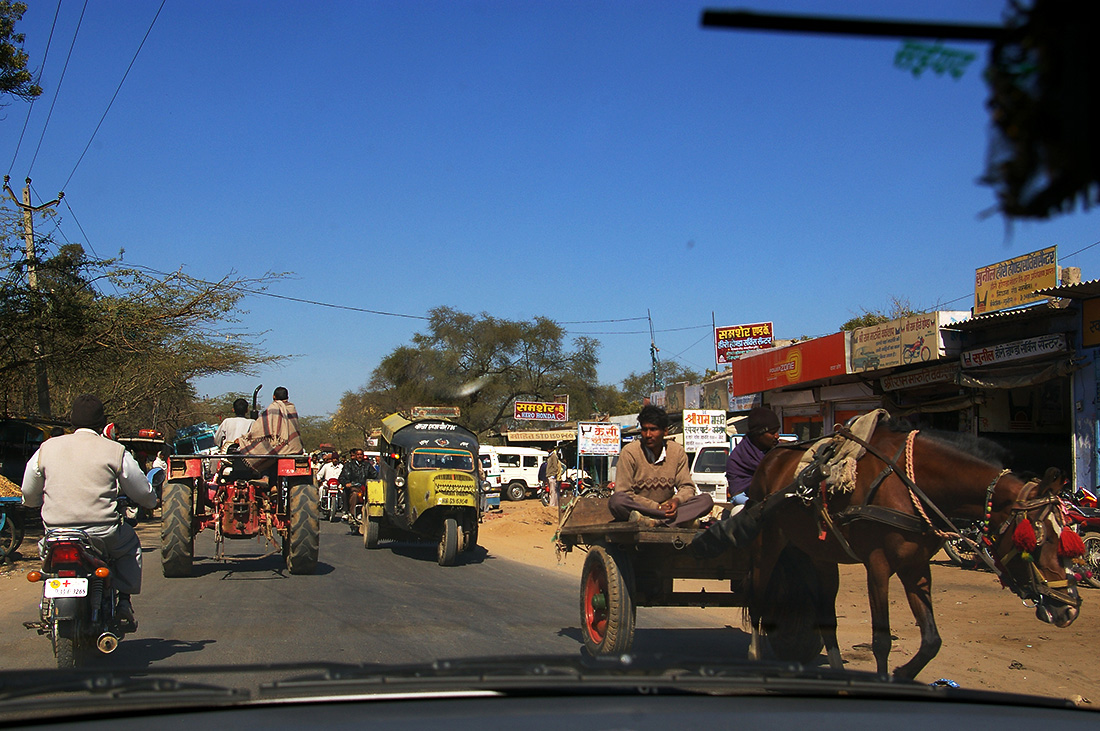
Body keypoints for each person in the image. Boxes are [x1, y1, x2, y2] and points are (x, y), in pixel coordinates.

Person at [20, 394, 158, 630]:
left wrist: (33, 503)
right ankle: (124, 600)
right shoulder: (115, 450)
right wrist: (151, 501)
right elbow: (143, 493)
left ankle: (48, 603)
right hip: (101, 533)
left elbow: (29, 492)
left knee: (46, 553)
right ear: (104, 423)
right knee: (130, 545)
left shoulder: (46, 449)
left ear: (71, 421)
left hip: (56, 533)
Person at [609, 405, 713, 528]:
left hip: (668, 509)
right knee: (617, 501)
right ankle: (671, 521)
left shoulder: (677, 451)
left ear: (665, 431)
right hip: (640, 510)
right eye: (644, 429)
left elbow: (686, 487)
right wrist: (656, 508)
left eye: (653, 429)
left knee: (706, 500)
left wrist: (676, 500)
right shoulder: (629, 452)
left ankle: (656, 522)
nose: (648, 435)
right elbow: (624, 491)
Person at [236, 386, 304, 476]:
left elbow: (259, 430)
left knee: (268, 454)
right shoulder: (292, 408)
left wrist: (242, 440)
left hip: (281, 450)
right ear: (287, 397)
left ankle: (267, 479)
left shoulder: (273, 408)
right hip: (296, 449)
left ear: (274, 397)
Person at [725, 407, 782, 505]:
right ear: (758, 435)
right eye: (772, 433)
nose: (777, 436)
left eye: (777, 432)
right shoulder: (737, 459)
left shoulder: (781, 452)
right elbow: (737, 496)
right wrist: (762, 505)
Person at [340, 448, 372, 527]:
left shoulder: (367, 466)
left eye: (361, 454)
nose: (359, 456)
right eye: (358, 454)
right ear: (355, 456)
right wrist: (346, 483)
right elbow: (342, 477)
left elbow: (374, 475)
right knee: (354, 494)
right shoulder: (349, 465)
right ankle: (352, 515)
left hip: (365, 488)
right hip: (353, 488)